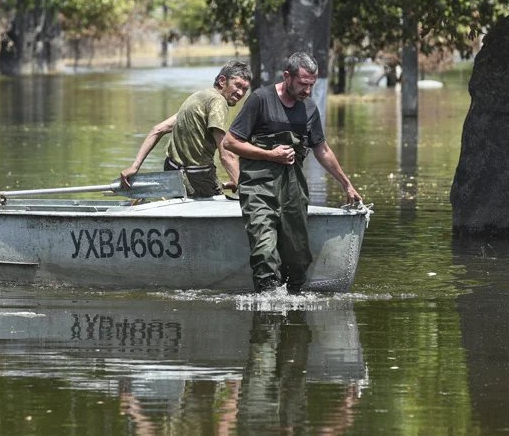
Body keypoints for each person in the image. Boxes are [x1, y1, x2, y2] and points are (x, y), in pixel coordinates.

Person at [222, 52, 363, 293]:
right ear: (287, 77)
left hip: (293, 189)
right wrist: (270, 155)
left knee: (298, 257)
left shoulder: (308, 108)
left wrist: (346, 184)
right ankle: (266, 308)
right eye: (302, 84)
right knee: (264, 251)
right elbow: (230, 142)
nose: (307, 90)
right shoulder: (260, 99)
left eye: (311, 85)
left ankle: (292, 306)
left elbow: (323, 150)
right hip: (258, 187)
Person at [120, 59, 252, 197]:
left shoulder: (197, 97)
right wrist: (243, 188)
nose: (240, 93)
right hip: (198, 177)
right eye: (237, 85)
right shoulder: (218, 102)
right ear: (222, 81)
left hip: (172, 173)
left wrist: (135, 166)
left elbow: (158, 129)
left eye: (245, 89)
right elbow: (227, 155)